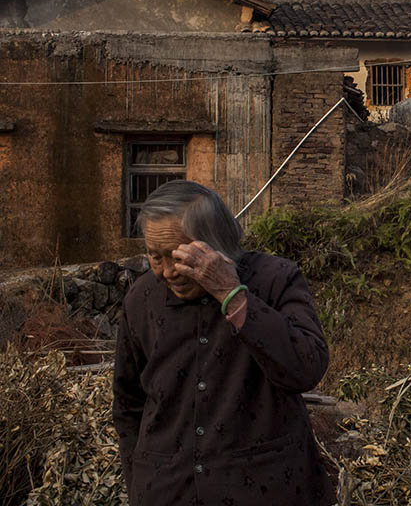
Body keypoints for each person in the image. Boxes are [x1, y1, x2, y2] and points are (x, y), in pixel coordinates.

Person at [112, 180, 334, 505]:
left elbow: (306, 367)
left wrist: (232, 295)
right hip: (168, 491)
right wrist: (140, 482)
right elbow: (128, 403)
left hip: (266, 488)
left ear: (216, 243)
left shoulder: (274, 279)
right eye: (154, 257)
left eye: (179, 256)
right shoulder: (141, 299)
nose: (167, 272)